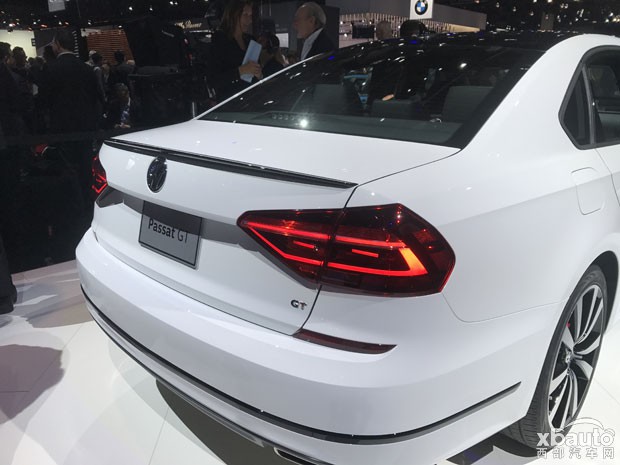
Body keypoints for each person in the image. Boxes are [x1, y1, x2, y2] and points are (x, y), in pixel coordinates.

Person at [208, 0, 262, 102]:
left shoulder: (250, 40)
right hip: (230, 101)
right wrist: (241, 71)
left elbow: (259, 72)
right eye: (245, 15)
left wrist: (259, 74)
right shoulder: (220, 38)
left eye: (250, 16)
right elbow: (213, 80)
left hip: (251, 100)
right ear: (233, 15)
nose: (249, 20)